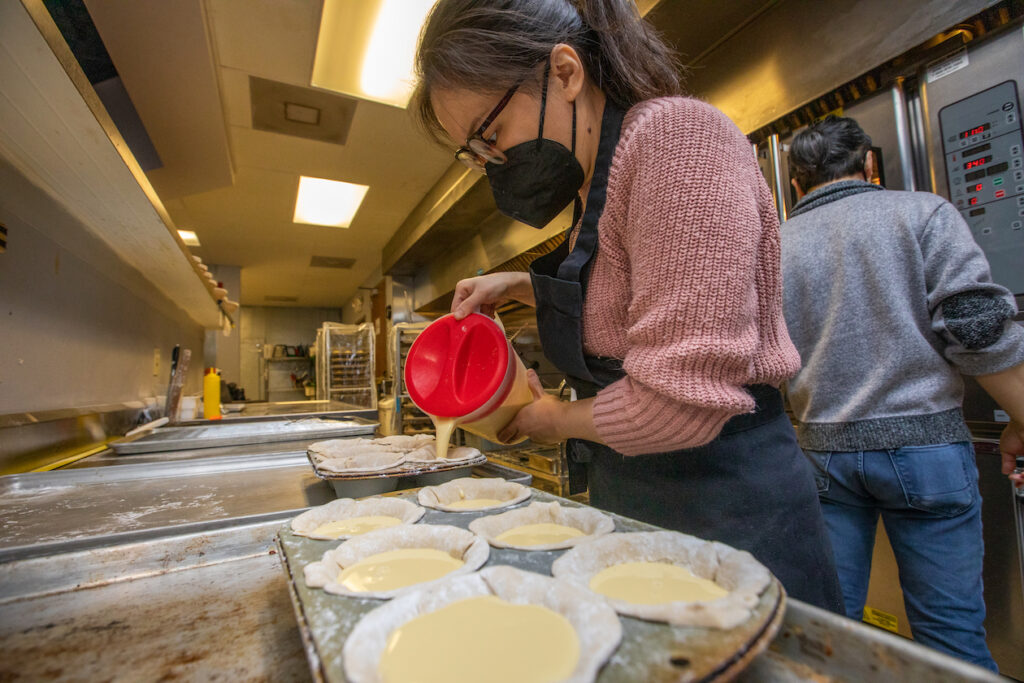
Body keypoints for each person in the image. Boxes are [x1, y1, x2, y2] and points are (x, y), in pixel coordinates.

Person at [410, 0, 843, 611]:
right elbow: (635, 301)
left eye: (490, 136)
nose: (495, 164)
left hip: (727, 503)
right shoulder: (595, 186)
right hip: (636, 490)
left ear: (564, 73)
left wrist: (548, 421)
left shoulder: (676, 142)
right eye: (476, 154)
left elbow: (679, 402)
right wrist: (521, 289)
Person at [781, 115, 1024, 671]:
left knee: (827, 633)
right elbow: (974, 324)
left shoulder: (775, 245)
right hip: (928, 452)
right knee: (950, 639)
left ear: (796, 183)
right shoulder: (922, 212)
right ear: (869, 166)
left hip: (823, 456)